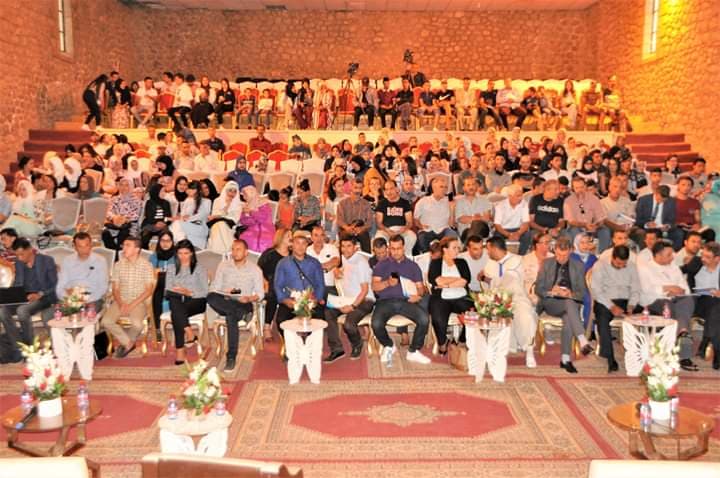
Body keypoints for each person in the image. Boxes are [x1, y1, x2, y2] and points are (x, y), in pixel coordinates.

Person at [535, 236, 593, 373]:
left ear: (570, 251)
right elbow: (538, 289)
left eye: (565, 256)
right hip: (551, 302)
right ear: (554, 250)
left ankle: (565, 359)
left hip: (570, 303)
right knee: (569, 305)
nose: (561, 258)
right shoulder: (547, 263)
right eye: (559, 255)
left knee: (568, 316)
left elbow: (582, 292)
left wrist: (570, 293)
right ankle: (582, 339)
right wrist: (551, 291)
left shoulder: (578, 266)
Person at [638, 240, 698, 371]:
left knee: (688, 300)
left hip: (677, 298)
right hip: (654, 301)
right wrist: (667, 289)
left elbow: (685, 287)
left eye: (672, 254)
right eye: (669, 255)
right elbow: (646, 289)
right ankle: (683, 352)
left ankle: (682, 332)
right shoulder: (645, 268)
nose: (672, 257)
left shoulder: (674, 267)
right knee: (672, 310)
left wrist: (680, 290)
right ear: (657, 255)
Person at [371, 235, 431, 365]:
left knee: (424, 319)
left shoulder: (413, 266)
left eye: (398, 248)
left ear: (404, 248)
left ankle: (413, 351)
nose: (395, 252)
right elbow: (374, 286)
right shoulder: (382, 264)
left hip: (406, 301)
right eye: (393, 249)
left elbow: (421, 288)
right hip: (385, 301)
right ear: (389, 249)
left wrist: (418, 295)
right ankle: (388, 345)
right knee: (376, 323)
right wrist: (387, 283)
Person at [207, 239, 264, 371]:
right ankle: (243, 315)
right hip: (225, 300)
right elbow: (214, 288)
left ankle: (231, 357)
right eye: (233, 249)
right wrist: (225, 292)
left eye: (238, 249)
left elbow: (260, 294)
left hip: (244, 302)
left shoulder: (255, 269)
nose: (234, 252)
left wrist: (249, 298)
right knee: (210, 297)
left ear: (246, 252)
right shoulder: (223, 266)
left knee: (230, 316)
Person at [0, 238, 58, 363]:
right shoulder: (19, 263)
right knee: (2, 311)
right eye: (17, 255)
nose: (19, 258)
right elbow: (18, 283)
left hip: (44, 296)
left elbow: (55, 285)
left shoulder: (47, 261)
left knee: (22, 311)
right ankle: (18, 349)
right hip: (25, 297)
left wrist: (40, 294)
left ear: (30, 250)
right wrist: (10, 296)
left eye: (22, 254)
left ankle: (31, 349)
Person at [483, 236, 538, 367]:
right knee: (495, 315)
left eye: (488, 249)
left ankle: (529, 351)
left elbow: (512, 280)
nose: (487, 252)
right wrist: (487, 281)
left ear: (495, 248)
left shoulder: (518, 260)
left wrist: (489, 280)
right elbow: (489, 285)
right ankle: (496, 353)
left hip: (518, 297)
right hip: (498, 299)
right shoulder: (490, 264)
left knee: (526, 316)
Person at [590, 245, 642, 373]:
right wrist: (611, 306)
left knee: (651, 315)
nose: (621, 266)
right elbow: (597, 291)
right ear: (612, 257)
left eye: (624, 264)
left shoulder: (631, 266)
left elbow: (636, 289)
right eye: (618, 263)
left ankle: (646, 354)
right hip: (606, 301)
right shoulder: (600, 265)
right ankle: (609, 358)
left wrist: (632, 304)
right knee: (602, 319)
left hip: (626, 301)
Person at [323, 235, 375, 362]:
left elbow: (364, 290)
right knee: (328, 312)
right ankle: (337, 349)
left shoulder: (361, 263)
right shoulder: (346, 258)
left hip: (364, 301)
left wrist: (352, 306)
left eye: (349, 246)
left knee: (349, 324)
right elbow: (345, 271)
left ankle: (357, 344)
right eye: (343, 246)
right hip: (347, 299)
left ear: (355, 247)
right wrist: (337, 270)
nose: (345, 249)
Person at [102, 237, 154, 359]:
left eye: (127, 245)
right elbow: (115, 289)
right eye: (123, 245)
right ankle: (129, 343)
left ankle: (125, 343)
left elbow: (148, 290)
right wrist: (121, 304)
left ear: (137, 249)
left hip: (138, 302)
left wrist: (131, 305)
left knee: (137, 325)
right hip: (120, 301)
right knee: (106, 321)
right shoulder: (118, 265)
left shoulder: (146, 265)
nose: (123, 248)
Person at [165, 239, 208, 364]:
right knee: (175, 305)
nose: (183, 256)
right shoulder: (172, 268)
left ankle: (180, 350)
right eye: (180, 253)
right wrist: (180, 292)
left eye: (186, 253)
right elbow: (168, 289)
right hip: (177, 300)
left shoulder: (199, 268)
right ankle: (189, 332)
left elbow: (205, 291)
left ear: (192, 253)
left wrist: (189, 292)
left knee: (176, 311)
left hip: (196, 301)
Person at [428, 237, 473, 355]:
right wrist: (456, 280)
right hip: (441, 298)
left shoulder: (462, 262)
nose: (458, 250)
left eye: (458, 247)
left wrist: (447, 285)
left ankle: (462, 340)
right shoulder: (436, 263)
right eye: (454, 248)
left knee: (472, 313)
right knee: (438, 317)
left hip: (461, 296)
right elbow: (437, 280)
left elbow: (465, 281)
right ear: (445, 249)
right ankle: (443, 342)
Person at [273, 230, 325, 327]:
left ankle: (310, 338)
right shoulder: (283, 263)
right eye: (297, 243)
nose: (300, 246)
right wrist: (285, 300)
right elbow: (278, 285)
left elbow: (320, 284)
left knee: (319, 320)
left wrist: (316, 299)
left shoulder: (314, 263)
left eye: (303, 243)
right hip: (291, 302)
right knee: (281, 321)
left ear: (307, 245)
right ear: (292, 244)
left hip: (310, 301)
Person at [683, 242, 720, 370]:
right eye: (702, 255)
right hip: (702, 302)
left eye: (707, 257)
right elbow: (699, 290)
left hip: (715, 305)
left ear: (717, 258)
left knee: (716, 310)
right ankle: (714, 350)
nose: (703, 259)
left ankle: (708, 344)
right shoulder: (698, 266)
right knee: (715, 306)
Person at [56, 232, 109, 312]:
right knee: (48, 315)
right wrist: (67, 298)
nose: (84, 249)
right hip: (71, 297)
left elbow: (102, 287)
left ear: (91, 245)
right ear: (75, 247)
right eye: (80, 246)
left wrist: (85, 300)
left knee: (85, 313)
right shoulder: (67, 260)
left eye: (86, 245)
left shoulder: (100, 261)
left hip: (92, 298)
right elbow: (60, 286)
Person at [257, 228, 291, 340]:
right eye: (288, 236)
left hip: (289, 286)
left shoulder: (292, 254)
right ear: (281, 238)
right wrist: (264, 282)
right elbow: (258, 270)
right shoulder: (270, 254)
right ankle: (267, 327)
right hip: (270, 285)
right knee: (273, 292)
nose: (291, 238)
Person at [375, 180, 417, 256]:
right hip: (386, 230)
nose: (389, 192)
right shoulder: (381, 203)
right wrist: (387, 230)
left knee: (411, 236)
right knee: (379, 238)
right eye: (386, 189)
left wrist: (402, 230)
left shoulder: (405, 203)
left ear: (397, 189)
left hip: (402, 230)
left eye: (391, 188)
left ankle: (406, 258)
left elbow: (409, 222)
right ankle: (386, 260)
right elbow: (379, 223)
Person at [414, 177, 456, 252]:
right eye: (441, 187)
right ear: (434, 188)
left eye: (446, 187)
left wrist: (452, 209)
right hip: (428, 231)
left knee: (453, 235)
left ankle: (449, 255)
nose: (444, 189)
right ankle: (427, 255)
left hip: (444, 230)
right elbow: (415, 219)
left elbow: (451, 225)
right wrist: (421, 226)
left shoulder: (449, 201)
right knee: (422, 238)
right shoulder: (423, 201)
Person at [102, 178, 143, 251]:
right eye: (121, 185)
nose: (123, 187)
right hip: (114, 225)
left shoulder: (137, 201)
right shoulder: (114, 199)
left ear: (131, 187)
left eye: (126, 185)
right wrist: (114, 217)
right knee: (105, 233)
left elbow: (135, 216)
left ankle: (120, 252)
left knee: (123, 233)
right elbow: (108, 212)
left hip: (130, 226)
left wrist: (123, 219)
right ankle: (114, 252)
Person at [170, 180, 211, 249]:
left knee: (176, 224)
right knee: (175, 226)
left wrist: (188, 218)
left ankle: (179, 244)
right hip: (187, 224)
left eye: (189, 189)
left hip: (199, 226)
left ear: (196, 190)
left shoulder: (207, 201)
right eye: (188, 189)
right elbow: (183, 215)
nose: (187, 191)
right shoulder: (188, 200)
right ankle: (182, 242)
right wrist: (184, 218)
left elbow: (202, 216)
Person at [564, 176, 606, 243]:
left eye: (581, 187)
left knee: (605, 231)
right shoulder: (568, 201)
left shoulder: (594, 199)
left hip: (593, 226)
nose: (580, 190)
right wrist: (585, 225)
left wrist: (596, 226)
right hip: (577, 227)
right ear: (573, 189)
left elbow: (600, 218)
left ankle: (601, 250)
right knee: (575, 230)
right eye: (577, 188)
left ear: (585, 186)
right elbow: (571, 222)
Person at [336, 179, 374, 253]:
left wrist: (362, 228)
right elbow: (339, 220)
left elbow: (369, 222)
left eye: (360, 188)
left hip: (360, 229)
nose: (357, 190)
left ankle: (367, 258)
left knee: (364, 235)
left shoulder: (366, 204)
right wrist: (347, 228)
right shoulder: (342, 203)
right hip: (346, 229)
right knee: (344, 236)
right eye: (355, 187)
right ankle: (342, 259)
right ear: (351, 188)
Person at [493, 184, 532, 254]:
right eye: (518, 196)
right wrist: (508, 234)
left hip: (518, 229)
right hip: (503, 230)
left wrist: (518, 233)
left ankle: (520, 255)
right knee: (497, 238)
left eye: (521, 195)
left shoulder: (524, 204)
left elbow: (526, 223)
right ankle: (502, 256)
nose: (520, 198)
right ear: (510, 196)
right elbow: (497, 225)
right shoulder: (500, 205)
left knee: (527, 235)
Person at [237, 185, 275, 252]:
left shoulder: (264, 204)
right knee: (244, 238)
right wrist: (245, 214)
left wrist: (251, 212)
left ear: (251, 195)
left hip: (266, 230)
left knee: (262, 240)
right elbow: (244, 221)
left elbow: (261, 219)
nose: (244, 198)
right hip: (252, 230)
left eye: (246, 195)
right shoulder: (247, 205)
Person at [207, 181, 241, 254]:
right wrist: (226, 207)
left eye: (234, 191)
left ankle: (222, 252)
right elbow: (214, 215)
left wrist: (220, 215)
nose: (232, 193)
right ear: (225, 190)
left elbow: (235, 219)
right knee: (219, 226)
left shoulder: (239, 204)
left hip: (230, 226)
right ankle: (226, 251)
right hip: (216, 224)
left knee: (221, 225)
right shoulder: (217, 201)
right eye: (230, 190)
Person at [455, 176, 492, 241]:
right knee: (474, 227)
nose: (471, 187)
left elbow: (487, 218)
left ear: (477, 187)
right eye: (468, 185)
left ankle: (474, 242)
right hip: (466, 231)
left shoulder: (484, 200)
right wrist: (478, 218)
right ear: (464, 188)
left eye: (473, 184)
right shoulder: (459, 202)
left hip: (482, 230)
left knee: (477, 225)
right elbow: (461, 219)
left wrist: (470, 218)